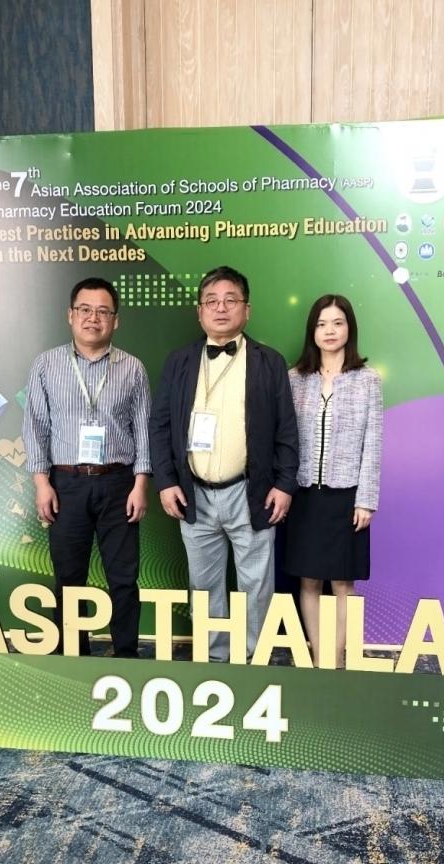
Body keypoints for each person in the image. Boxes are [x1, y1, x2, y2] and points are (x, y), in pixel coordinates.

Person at [149, 265, 298, 662]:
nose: (220, 308)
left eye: (230, 300)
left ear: (246, 310)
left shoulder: (269, 362)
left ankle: (253, 658)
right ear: (199, 311)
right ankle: (214, 660)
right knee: (203, 586)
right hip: (193, 493)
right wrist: (166, 481)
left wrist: (284, 485)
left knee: (256, 585)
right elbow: (159, 425)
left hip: (252, 491)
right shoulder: (180, 361)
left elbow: (286, 428)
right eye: (211, 301)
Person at [23, 277, 151, 657]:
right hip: (65, 483)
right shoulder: (46, 365)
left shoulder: (132, 368)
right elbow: (35, 426)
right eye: (85, 309)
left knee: (124, 579)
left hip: (119, 484)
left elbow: (144, 430)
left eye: (103, 311)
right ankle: (73, 658)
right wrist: (42, 483)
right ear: (70, 315)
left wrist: (140, 485)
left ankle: (127, 657)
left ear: (115, 320)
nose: (93, 318)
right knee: (69, 579)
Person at [285, 293, 382, 667]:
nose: (329, 331)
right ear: (312, 330)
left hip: (347, 495)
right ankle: (317, 653)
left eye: (337, 323)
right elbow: (285, 439)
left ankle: (337, 659)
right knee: (308, 579)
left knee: (343, 581)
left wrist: (366, 499)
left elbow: (373, 442)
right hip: (304, 493)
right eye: (322, 324)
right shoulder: (295, 379)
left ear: (349, 329)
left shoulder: (367, 380)